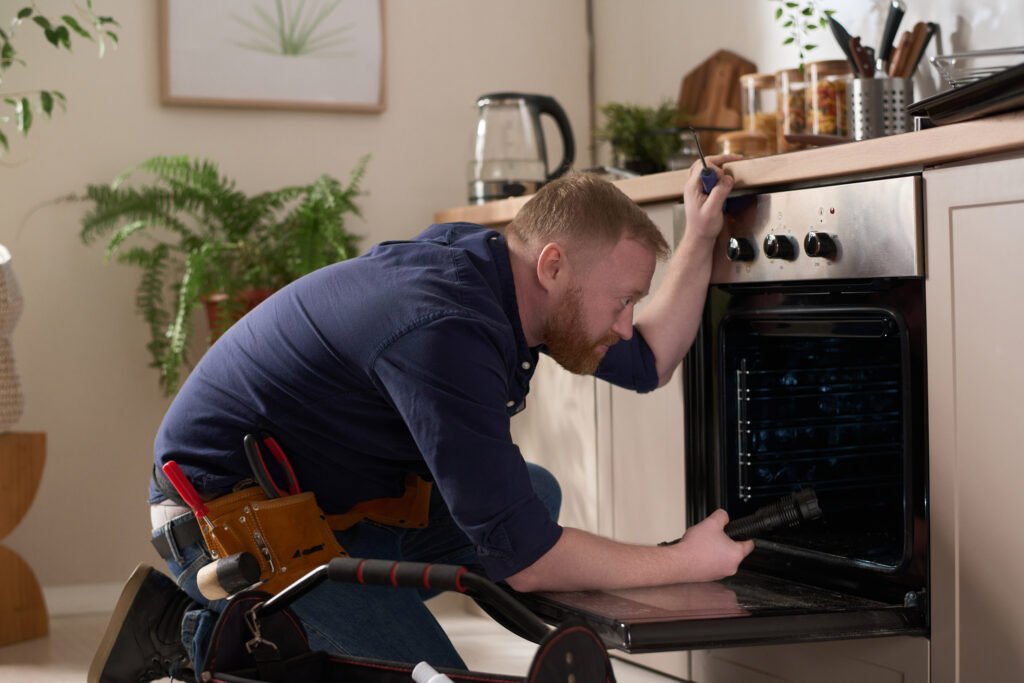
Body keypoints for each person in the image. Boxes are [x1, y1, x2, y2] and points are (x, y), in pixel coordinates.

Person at [88, 154, 753, 683]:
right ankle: (194, 632)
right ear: (554, 265)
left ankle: (290, 631)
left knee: (535, 493)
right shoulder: (444, 330)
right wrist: (680, 560)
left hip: (313, 509)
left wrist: (699, 233)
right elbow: (524, 561)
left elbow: (649, 361)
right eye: (622, 300)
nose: (625, 323)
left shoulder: (497, 275)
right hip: (221, 524)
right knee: (438, 676)